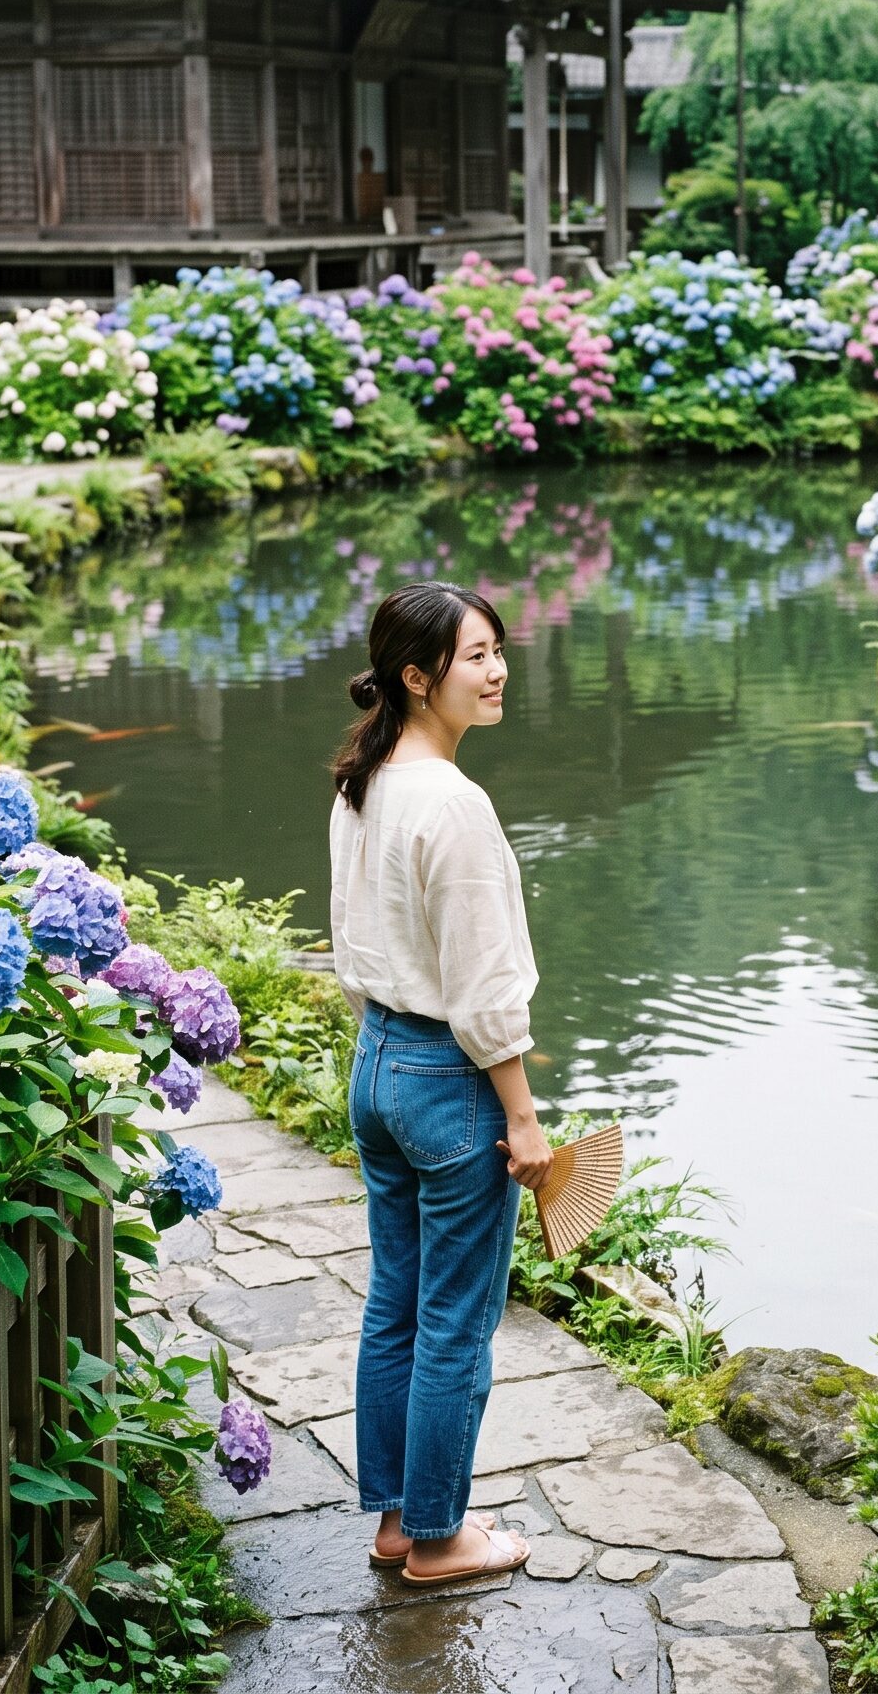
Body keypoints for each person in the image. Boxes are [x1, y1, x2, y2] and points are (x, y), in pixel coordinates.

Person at [329, 580, 555, 1586]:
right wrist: (523, 1117)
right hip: (447, 1075)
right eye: (475, 656)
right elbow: (483, 984)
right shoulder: (454, 803)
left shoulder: (364, 779)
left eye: (497, 649)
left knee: (396, 1302)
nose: (497, 670)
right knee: (455, 1319)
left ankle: (397, 1521)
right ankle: (437, 1538)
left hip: (377, 1059)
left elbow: (355, 936)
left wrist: (387, 1044)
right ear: (418, 678)